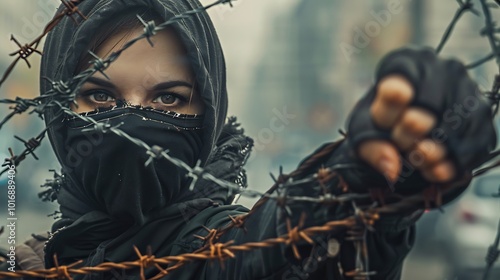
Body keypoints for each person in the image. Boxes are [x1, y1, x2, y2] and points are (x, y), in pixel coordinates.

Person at [0, 0, 496, 279]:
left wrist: (365, 182)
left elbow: (272, 251)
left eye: (169, 99)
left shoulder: (219, 249)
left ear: (209, 112)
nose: (132, 123)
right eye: (100, 97)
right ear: (57, 109)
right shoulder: (34, 260)